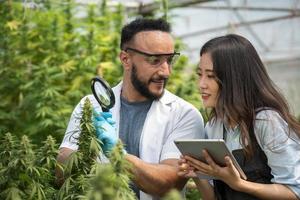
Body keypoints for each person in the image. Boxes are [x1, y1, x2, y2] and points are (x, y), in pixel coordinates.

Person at [56, 18, 205, 200]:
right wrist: (87, 147)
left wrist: (116, 153)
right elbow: (61, 175)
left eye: (169, 59)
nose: (166, 71)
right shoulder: (90, 105)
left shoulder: (184, 115)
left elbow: (168, 184)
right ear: (126, 59)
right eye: (154, 60)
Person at [178, 34, 300, 200]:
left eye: (211, 76)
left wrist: (239, 184)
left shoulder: (266, 121)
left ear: (234, 78)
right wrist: (197, 173)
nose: (201, 84)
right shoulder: (213, 126)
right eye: (200, 74)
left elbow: (293, 192)